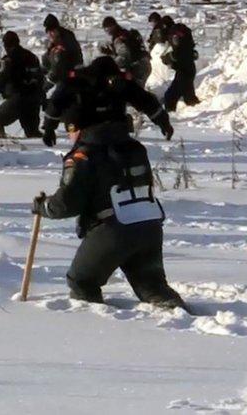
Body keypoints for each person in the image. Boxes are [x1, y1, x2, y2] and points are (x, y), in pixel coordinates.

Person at [32, 71, 188, 311]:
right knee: (152, 285)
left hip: (113, 230)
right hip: (149, 226)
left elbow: (68, 203)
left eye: (70, 129)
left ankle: (96, 332)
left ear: (79, 126)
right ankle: (180, 316)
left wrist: (43, 207)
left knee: (82, 280)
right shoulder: (135, 147)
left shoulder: (83, 156)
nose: (70, 135)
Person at [41, 56, 174, 148]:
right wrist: (49, 129)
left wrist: (163, 122)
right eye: (108, 80)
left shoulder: (120, 83)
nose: (110, 83)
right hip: (81, 127)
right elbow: (55, 103)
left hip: (114, 128)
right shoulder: (77, 82)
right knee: (82, 158)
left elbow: (146, 101)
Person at [0, 31, 44, 139]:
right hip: (34, 101)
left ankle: (0, 144)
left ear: (6, 45)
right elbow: (40, 78)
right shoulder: (32, 57)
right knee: (32, 133)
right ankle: (44, 149)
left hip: (18, 99)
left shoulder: (8, 60)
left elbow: (0, 80)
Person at [100, 16, 152, 86]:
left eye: (107, 28)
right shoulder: (125, 33)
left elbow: (124, 56)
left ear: (112, 26)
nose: (107, 31)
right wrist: (110, 52)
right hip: (143, 64)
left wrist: (111, 66)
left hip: (137, 67)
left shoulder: (119, 39)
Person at [161, 23, 201, 111]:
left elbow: (177, 56)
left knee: (171, 96)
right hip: (187, 69)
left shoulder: (178, 41)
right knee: (188, 95)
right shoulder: (186, 41)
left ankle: (170, 115)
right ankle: (198, 109)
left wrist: (168, 58)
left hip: (184, 71)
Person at [41, 14, 83, 91]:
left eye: (52, 31)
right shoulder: (53, 43)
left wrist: (46, 85)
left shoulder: (66, 41)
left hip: (70, 76)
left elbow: (59, 67)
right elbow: (46, 60)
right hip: (59, 76)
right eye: (48, 32)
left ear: (57, 30)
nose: (50, 34)